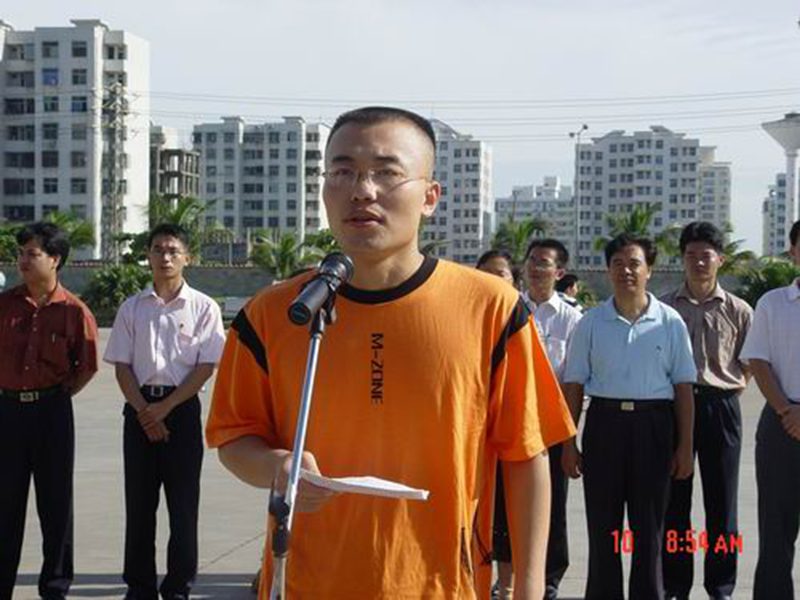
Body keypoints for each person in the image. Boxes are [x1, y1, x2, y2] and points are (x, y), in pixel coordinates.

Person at [206, 106, 575, 599]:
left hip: (441, 583)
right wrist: (278, 466)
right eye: (342, 172)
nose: (362, 190)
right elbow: (234, 438)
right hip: (307, 582)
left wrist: (528, 588)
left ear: (430, 197)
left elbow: (527, 455)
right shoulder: (276, 314)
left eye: (386, 172)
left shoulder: (491, 308)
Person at [562, 233, 696, 600]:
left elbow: (684, 387)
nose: (626, 271)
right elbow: (574, 385)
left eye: (634, 263)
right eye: (618, 264)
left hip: (654, 427)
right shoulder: (591, 322)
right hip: (605, 426)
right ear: (608, 270)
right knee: (603, 525)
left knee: (649, 527)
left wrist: (685, 446)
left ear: (649, 270)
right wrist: (569, 443)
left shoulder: (669, 322)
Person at [104, 223, 225, 600]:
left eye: (173, 250)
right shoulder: (132, 308)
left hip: (181, 411)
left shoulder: (204, 307)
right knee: (139, 507)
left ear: (187, 257)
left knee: (183, 508)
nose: (165, 257)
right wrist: (145, 411)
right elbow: (122, 366)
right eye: (158, 249)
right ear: (148, 256)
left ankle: (177, 588)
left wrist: (165, 409)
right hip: (138, 410)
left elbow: (205, 366)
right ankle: (139, 587)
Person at [0, 222, 99, 599]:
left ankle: (55, 588)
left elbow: (86, 367)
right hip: (7, 412)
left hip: (52, 414)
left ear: (55, 259)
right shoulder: (4, 305)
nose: (23, 260)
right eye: (21, 253)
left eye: (32, 254)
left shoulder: (74, 311)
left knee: (56, 505)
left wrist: (54, 397)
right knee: (5, 506)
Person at [660, 222, 752, 600]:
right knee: (674, 503)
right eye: (691, 255)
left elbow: (750, 361)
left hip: (720, 407)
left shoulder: (739, 310)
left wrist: (730, 387)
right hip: (673, 408)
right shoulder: (664, 307)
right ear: (682, 259)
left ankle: (721, 586)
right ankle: (675, 585)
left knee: (722, 503)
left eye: (706, 255)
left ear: (720, 260)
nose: (699, 262)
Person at [490, 239, 581, 600]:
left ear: (559, 272)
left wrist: (570, 438)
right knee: (505, 503)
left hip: (551, 424)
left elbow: (574, 381)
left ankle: (549, 579)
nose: (535, 268)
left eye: (544, 263)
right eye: (531, 261)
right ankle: (507, 576)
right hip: (512, 419)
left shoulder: (572, 319)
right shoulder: (510, 308)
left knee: (552, 506)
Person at [740, 219, 800, 600]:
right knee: (776, 530)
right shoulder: (772, 303)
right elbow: (758, 361)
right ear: (793, 251)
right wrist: (786, 410)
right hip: (781, 425)